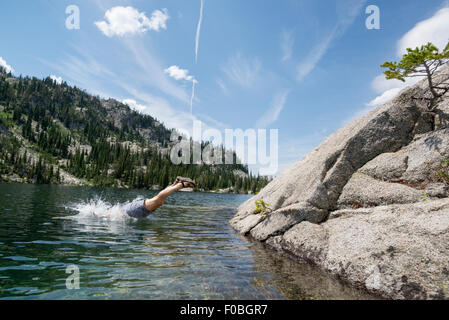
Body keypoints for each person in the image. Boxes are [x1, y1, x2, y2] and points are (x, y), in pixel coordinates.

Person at [121, 177, 196, 218]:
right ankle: (176, 183)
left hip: (130, 210)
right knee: (159, 201)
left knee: (158, 201)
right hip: (133, 210)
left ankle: (180, 185)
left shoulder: (113, 212)